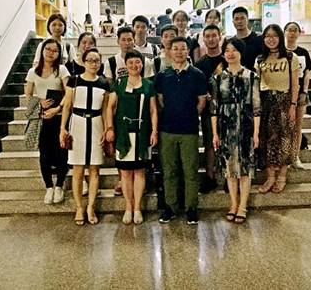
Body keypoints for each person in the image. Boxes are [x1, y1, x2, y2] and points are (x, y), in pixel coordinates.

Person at [155, 37, 207, 225]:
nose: (178, 52)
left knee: (190, 170)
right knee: (169, 170)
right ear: (169, 51)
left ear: (188, 51)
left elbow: (201, 102)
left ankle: (191, 207)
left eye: (182, 48)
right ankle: (171, 207)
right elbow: (160, 101)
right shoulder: (163, 75)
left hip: (189, 130)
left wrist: (189, 115)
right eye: (175, 48)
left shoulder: (197, 74)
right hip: (167, 129)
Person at [210, 37, 260, 223]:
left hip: (246, 126)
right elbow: (214, 108)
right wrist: (215, 133)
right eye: (227, 50)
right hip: (226, 127)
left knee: (245, 168)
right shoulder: (218, 78)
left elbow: (256, 107)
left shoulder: (251, 76)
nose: (230, 54)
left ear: (241, 52)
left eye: (234, 50)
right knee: (229, 169)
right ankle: (233, 203)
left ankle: (243, 206)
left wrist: (256, 133)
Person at [106, 50, 158, 225]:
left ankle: (137, 208)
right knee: (126, 173)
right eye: (131, 63)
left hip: (142, 133)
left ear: (142, 64)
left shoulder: (148, 85)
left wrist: (154, 131)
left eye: (137, 62)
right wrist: (109, 128)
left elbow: (153, 110)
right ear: (126, 65)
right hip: (123, 133)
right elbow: (110, 107)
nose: (134, 65)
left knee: (140, 171)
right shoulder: (119, 83)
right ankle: (128, 207)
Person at [60, 48, 110, 225]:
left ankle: (91, 206)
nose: (93, 64)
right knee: (78, 170)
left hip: (96, 123)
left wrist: (106, 129)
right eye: (90, 60)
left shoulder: (104, 83)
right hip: (77, 124)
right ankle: (79, 207)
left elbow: (105, 109)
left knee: (95, 169)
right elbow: (67, 105)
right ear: (83, 61)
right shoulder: (74, 80)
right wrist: (62, 128)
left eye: (96, 61)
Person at [255, 24, 300, 194]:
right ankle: (270, 177)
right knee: (267, 139)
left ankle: (282, 176)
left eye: (274, 36)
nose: (271, 39)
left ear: (280, 37)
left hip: (284, 101)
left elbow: (295, 85)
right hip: (266, 102)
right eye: (267, 36)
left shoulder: (290, 57)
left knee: (285, 139)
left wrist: (293, 105)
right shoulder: (260, 59)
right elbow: (257, 84)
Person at [25, 39, 70, 205]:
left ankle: (59, 186)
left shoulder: (62, 70)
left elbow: (69, 92)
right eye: (48, 49)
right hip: (41, 118)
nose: (51, 52)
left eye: (55, 50)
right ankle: (49, 187)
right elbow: (28, 95)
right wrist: (39, 103)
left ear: (59, 54)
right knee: (44, 154)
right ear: (42, 50)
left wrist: (57, 109)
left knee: (61, 152)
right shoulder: (33, 72)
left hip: (59, 117)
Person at [194, 24, 225, 193]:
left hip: (228, 108)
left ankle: (229, 176)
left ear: (220, 37)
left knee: (227, 142)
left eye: (214, 35)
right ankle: (210, 175)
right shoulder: (200, 64)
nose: (211, 39)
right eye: (208, 36)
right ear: (203, 39)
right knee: (209, 143)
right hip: (208, 111)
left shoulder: (228, 58)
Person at [284, 21, 311, 170]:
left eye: (295, 30)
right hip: (284, 92)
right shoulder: (279, 51)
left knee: (297, 125)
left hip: (300, 93)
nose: (292, 33)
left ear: (299, 33)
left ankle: (295, 156)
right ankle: (284, 156)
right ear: (284, 32)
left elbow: (307, 74)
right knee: (284, 126)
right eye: (289, 30)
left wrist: (304, 91)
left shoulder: (303, 52)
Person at [232, 6, 263, 71]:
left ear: (247, 20)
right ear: (233, 21)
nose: (239, 21)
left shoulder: (259, 39)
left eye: (242, 18)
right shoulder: (231, 43)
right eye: (236, 19)